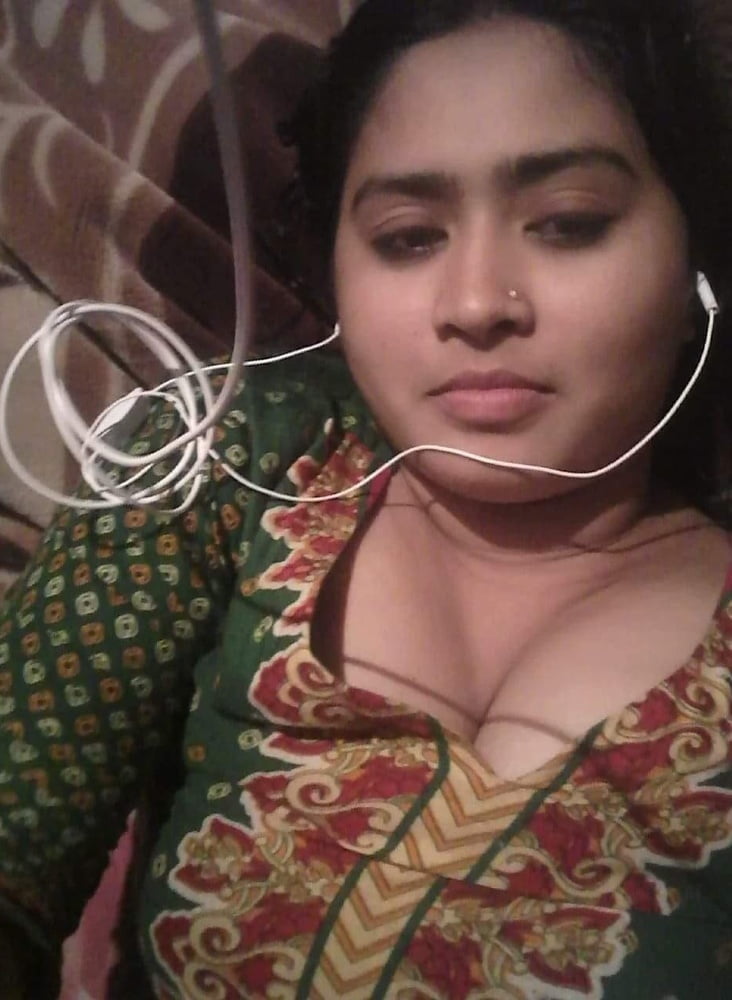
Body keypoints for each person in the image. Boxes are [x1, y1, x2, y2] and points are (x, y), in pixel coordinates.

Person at [2, 0, 732, 996]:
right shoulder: (226, 456)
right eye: (407, 237)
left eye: (568, 223)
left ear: (696, 261)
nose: (475, 304)